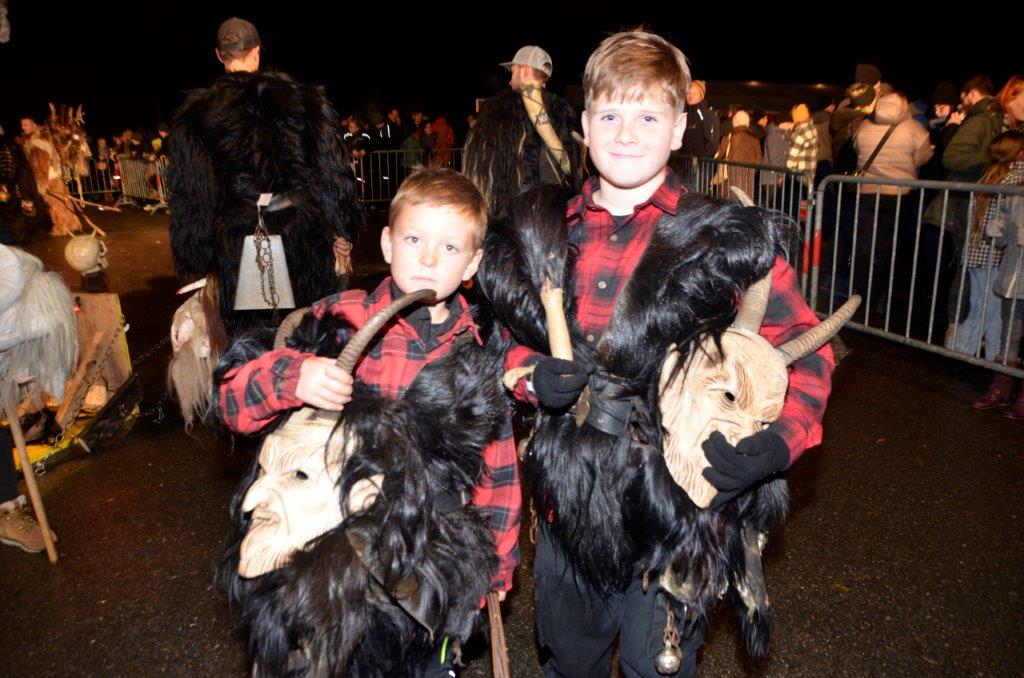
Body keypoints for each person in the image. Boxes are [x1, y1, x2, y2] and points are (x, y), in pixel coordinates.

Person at [498, 29, 834, 677]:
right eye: (610, 116)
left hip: (679, 501)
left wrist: (779, 442)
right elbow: (502, 344)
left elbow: (804, 350)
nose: (626, 134)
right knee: (569, 661)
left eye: (648, 117)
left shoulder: (722, 240)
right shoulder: (545, 233)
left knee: (657, 666)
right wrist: (531, 377)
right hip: (569, 498)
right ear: (584, 126)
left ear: (679, 129)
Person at [216, 168, 521, 672]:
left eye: (449, 247)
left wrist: (496, 569)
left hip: (432, 558)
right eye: (414, 239)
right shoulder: (337, 321)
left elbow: (499, 473)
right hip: (338, 561)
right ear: (386, 243)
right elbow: (233, 405)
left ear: (473, 263)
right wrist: (295, 377)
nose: (428, 259)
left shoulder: (476, 354)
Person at [168, 17, 362, 339]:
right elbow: (333, 174)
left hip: (240, 242)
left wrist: (198, 258)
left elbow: (193, 195)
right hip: (302, 237)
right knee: (308, 332)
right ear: (257, 51)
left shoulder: (196, 116)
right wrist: (342, 229)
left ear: (219, 55)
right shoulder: (305, 101)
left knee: (252, 342)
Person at [464, 44, 583, 219]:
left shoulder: (498, 111)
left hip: (509, 218)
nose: (509, 81)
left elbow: (479, 171)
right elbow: (576, 168)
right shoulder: (562, 111)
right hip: (554, 217)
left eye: (513, 72)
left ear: (525, 71)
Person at [971, 131, 1024, 417]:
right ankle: (1001, 388)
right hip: (1014, 276)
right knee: (1009, 335)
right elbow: (1004, 234)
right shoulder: (1017, 192)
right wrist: (998, 232)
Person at [680, 80, 720, 158]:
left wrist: (697, 159)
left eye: (695, 93)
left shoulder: (707, 115)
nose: (691, 96)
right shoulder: (686, 114)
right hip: (684, 162)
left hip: (700, 163)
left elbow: (712, 145)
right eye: (688, 93)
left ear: (701, 96)